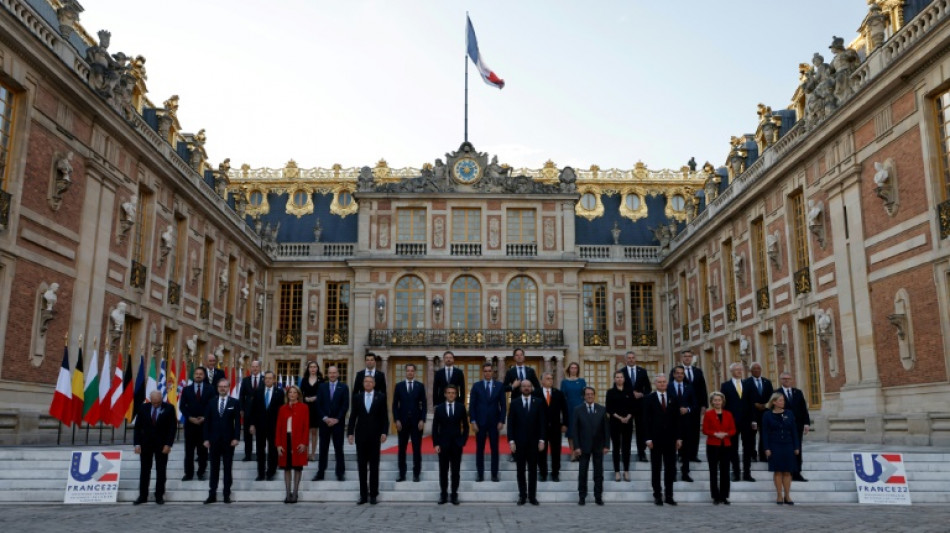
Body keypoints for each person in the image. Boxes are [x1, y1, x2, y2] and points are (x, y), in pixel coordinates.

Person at [348, 374, 389, 505]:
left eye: (370, 381)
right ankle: (363, 495)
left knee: (374, 466)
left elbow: (384, 417)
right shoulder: (357, 397)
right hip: (361, 436)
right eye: (365, 381)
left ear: (374, 384)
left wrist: (384, 432)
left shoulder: (381, 397)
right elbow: (353, 416)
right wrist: (350, 433)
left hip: (375, 435)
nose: (367, 383)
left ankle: (373, 494)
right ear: (363, 383)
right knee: (361, 466)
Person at [643, 374, 682, 506]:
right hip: (655, 440)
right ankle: (657, 495)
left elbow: (677, 420)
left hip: (670, 439)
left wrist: (678, 437)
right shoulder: (649, 399)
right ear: (655, 384)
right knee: (656, 468)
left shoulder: (673, 398)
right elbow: (645, 420)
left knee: (670, 468)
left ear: (667, 383)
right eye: (659, 382)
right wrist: (647, 438)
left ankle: (669, 495)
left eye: (664, 382)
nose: (662, 384)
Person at [133, 390, 177, 505]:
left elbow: (172, 428)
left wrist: (168, 444)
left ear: (161, 399)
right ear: (150, 399)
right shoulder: (143, 408)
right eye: (154, 402)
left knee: (161, 471)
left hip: (161, 445)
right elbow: (137, 427)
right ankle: (143, 495)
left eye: (158, 402)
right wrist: (137, 444)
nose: (156, 405)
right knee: (144, 471)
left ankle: (159, 495)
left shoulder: (169, 408)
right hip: (146, 444)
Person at [507, 380, 545, 505]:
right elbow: (511, 424)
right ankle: (522, 496)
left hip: (534, 443)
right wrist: (511, 441)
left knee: (533, 470)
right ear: (520, 388)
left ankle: (532, 496)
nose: (526, 388)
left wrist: (542, 440)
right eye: (524, 386)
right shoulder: (514, 403)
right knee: (520, 470)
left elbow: (542, 423)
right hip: (519, 443)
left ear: (532, 388)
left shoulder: (538, 402)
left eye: (529, 386)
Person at [203, 378, 241, 504]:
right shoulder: (211, 402)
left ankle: (226, 495)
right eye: (220, 386)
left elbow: (237, 423)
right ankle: (212, 494)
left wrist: (236, 438)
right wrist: (206, 438)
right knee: (214, 468)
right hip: (213, 441)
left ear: (229, 387)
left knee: (227, 468)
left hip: (228, 441)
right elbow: (207, 422)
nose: (222, 388)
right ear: (217, 388)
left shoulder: (234, 402)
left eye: (225, 386)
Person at [432, 384, 469, 505]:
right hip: (442, 445)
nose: (451, 395)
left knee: (455, 471)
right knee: (443, 471)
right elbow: (435, 427)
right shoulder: (439, 408)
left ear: (456, 394)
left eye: (453, 393)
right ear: (445, 394)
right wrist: (436, 443)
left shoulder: (461, 407)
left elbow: (466, 427)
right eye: (449, 393)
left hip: (456, 445)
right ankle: (443, 494)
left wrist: (462, 441)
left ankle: (454, 494)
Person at [571, 386, 609, 506]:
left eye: (592, 394)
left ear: (594, 395)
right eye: (587, 394)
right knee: (582, 473)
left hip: (598, 446)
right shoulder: (578, 410)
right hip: (583, 447)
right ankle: (582, 496)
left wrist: (607, 445)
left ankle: (598, 496)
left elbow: (606, 429)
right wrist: (576, 447)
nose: (590, 396)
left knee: (598, 473)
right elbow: (575, 430)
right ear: (584, 396)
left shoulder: (602, 409)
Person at [469, 362, 506, 482]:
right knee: (480, 449)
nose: (487, 373)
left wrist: (501, 420)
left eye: (489, 371)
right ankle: (480, 474)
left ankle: (494, 475)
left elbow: (504, 405)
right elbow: (472, 405)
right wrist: (473, 421)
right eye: (485, 371)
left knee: (495, 449)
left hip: (494, 423)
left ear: (493, 372)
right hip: (480, 423)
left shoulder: (499, 386)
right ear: (482, 372)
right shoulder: (476, 386)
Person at [762, 392, 800, 505]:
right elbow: (764, 433)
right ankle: (779, 495)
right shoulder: (767, 415)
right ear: (774, 402)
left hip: (788, 445)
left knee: (787, 471)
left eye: (783, 400)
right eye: (780, 400)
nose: (782, 402)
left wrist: (796, 446)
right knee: (778, 471)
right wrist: (767, 448)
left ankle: (787, 496)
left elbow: (794, 431)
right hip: (774, 445)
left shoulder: (790, 413)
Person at [504, 348, 541, 463]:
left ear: (524, 357)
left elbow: (538, 387)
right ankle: (514, 454)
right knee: (515, 428)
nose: (519, 357)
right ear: (514, 357)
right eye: (517, 355)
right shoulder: (510, 372)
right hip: (516, 404)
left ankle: (531, 452)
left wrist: (531, 393)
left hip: (530, 403)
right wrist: (513, 386)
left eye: (521, 355)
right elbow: (504, 388)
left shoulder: (530, 371)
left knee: (531, 427)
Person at [392, 363, 427, 482]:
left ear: (415, 372)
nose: (410, 372)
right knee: (402, 449)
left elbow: (424, 405)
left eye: (412, 371)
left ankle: (416, 474)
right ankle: (402, 474)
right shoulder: (399, 386)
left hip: (417, 423)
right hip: (402, 423)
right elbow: (395, 405)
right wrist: (396, 419)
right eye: (408, 371)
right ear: (405, 372)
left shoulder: (420, 386)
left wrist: (423, 419)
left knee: (417, 449)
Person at [670, 349, 707, 463]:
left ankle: (693, 455)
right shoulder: (675, 371)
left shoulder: (698, 371)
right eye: (685, 356)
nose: (687, 358)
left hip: (695, 407)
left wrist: (704, 405)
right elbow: (672, 389)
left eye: (689, 356)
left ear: (692, 358)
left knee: (694, 431)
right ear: (682, 358)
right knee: (681, 431)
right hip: (680, 407)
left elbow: (702, 388)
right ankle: (681, 454)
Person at [314, 365, 349, 481]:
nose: (332, 375)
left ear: (338, 374)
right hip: (324, 423)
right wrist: (325, 418)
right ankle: (321, 472)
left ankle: (340, 473)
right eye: (330, 373)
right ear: (327, 374)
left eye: (334, 373)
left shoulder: (343, 387)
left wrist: (336, 419)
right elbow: (318, 405)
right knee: (323, 449)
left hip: (338, 424)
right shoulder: (322, 387)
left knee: (339, 448)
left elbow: (345, 405)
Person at [276, 384, 309, 504]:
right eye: (290, 392)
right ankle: (287, 493)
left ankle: (295, 493)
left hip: (298, 440)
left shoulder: (304, 407)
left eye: (295, 392)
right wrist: (278, 445)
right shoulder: (282, 409)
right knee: (287, 467)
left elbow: (306, 427)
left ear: (298, 395)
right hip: (285, 440)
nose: (292, 394)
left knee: (297, 467)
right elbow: (278, 427)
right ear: (287, 394)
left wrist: (304, 443)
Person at [721, 363, 754, 482]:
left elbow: (752, 403)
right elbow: (723, 405)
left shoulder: (748, 384)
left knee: (748, 448)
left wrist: (753, 420)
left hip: (746, 422)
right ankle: (735, 473)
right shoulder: (725, 386)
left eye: (740, 369)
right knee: (733, 449)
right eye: (736, 370)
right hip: (732, 422)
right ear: (731, 372)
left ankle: (747, 473)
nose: (739, 371)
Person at [250, 371, 284, 481]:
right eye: (266, 378)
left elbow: (281, 411)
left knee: (273, 450)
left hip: (273, 426)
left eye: (270, 378)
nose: (268, 380)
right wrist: (252, 424)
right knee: (260, 450)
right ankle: (260, 473)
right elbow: (253, 410)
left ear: (274, 380)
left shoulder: (279, 392)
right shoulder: (258, 392)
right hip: (260, 426)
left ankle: (271, 472)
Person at [703, 391, 736, 505]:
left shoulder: (728, 414)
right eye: (715, 400)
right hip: (713, 445)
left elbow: (733, 429)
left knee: (725, 471)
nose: (717, 402)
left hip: (726, 445)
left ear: (723, 401)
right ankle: (715, 496)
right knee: (713, 471)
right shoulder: (708, 414)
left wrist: (726, 434)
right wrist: (715, 434)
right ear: (712, 402)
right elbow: (705, 430)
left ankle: (724, 496)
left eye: (719, 400)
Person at [179, 367, 211, 481]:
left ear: (204, 376)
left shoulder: (210, 389)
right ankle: (188, 474)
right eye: (196, 373)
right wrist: (189, 418)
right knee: (189, 451)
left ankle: (201, 472)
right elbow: (182, 406)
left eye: (200, 374)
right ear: (194, 375)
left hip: (204, 425)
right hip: (190, 425)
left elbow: (211, 405)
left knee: (203, 451)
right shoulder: (186, 390)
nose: (198, 375)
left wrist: (205, 417)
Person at [778, 372, 811, 482]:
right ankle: (787, 473)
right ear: (780, 380)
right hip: (783, 426)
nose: (786, 381)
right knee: (786, 449)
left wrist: (806, 423)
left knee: (798, 449)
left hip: (797, 426)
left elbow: (803, 409)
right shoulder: (776, 393)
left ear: (791, 380)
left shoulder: (798, 392)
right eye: (784, 379)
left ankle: (797, 472)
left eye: (788, 379)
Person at [621, 351, 652, 462]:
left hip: (640, 406)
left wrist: (642, 394)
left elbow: (648, 389)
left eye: (633, 357)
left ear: (635, 359)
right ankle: (625, 453)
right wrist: (628, 394)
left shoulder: (642, 372)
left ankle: (641, 453)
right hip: (626, 406)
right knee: (626, 431)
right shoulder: (621, 372)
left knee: (641, 430)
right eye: (629, 358)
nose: (631, 359)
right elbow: (618, 389)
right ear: (625, 360)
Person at [670, 365, 697, 482]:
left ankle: (685, 473)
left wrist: (688, 409)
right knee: (671, 449)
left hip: (686, 423)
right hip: (672, 423)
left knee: (686, 450)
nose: (679, 375)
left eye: (681, 373)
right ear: (674, 374)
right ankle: (672, 473)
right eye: (677, 373)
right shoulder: (668, 387)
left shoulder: (689, 387)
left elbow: (695, 404)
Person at [538, 372, 568, 482]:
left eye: (551, 378)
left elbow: (565, 410)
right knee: (541, 451)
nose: (550, 380)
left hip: (556, 427)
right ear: (542, 381)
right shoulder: (536, 393)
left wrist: (565, 423)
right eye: (547, 378)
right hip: (541, 428)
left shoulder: (558, 393)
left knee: (556, 451)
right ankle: (543, 473)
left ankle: (555, 473)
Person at [605, 370, 633, 481]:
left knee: (627, 448)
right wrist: (620, 418)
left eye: (621, 377)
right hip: (615, 422)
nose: (619, 379)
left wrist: (628, 417)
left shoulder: (629, 391)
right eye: (617, 377)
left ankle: (626, 471)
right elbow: (609, 408)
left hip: (628, 422)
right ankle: (617, 471)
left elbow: (633, 407)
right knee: (616, 447)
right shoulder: (610, 392)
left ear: (624, 379)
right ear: (614, 379)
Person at [744, 362, 774, 462]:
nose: (756, 370)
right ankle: (752, 454)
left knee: (764, 434)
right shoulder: (745, 382)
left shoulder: (767, 382)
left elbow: (771, 397)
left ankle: (763, 455)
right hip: (751, 413)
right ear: (750, 371)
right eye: (754, 369)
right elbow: (744, 399)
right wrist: (754, 404)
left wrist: (765, 405)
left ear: (761, 370)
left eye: (758, 368)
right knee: (751, 435)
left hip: (765, 412)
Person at [560, 362, 587, 456]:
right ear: (569, 369)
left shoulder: (582, 381)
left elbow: (585, 395)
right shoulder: (564, 382)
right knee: (570, 430)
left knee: (580, 430)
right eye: (572, 368)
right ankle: (572, 452)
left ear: (578, 370)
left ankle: (578, 451)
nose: (574, 369)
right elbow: (562, 396)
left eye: (575, 368)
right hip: (569, 408)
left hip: (580, 408)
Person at [299, 361, 323, 461]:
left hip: (317, 408)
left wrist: (316, 397)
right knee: (306, 431)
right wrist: (306, 399)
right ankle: (306, 452)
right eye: (311, 367)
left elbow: (324, 393)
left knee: (314, 431)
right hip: (306, 407)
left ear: (317, 368)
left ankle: (313, 454)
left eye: (315, 367)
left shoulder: (321, 380)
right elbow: (300, 393)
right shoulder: (304, 380)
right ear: (308, 369)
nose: (313, 369)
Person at [239, 360, 263, 462]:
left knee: (260, 435)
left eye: (256, 366)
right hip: (248, 411)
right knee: (247, 435)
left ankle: (259, 454)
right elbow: (241, 396)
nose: (254, 368)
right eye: (253, 366)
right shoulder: (245, 380)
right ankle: (247, 455)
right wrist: (241, 409)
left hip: (261, 412)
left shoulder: (264, 379)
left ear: (260, 367)